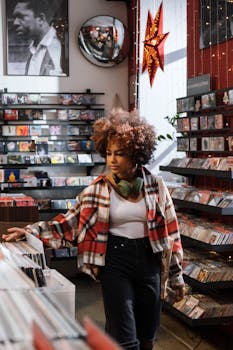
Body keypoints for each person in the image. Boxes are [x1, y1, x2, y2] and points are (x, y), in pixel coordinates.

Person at [2, 109, 185, 350]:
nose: (112, 160)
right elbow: (69, 223)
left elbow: (171, 233)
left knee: (147, 334)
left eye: (119, 154)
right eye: (108, 153)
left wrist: (176, 275)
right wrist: (30, 232)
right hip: (115, 261)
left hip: (150, 261)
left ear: (136, 153)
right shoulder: (97, 190)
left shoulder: (155, 186)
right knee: (124, 336)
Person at [11, 0, 66, 76]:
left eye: (21, 17)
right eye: (15, 18)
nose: (15, 22)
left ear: (41, 19)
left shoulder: (63, 47)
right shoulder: (33, 50)